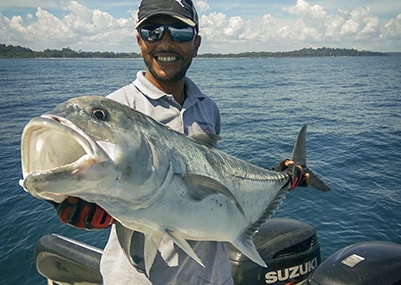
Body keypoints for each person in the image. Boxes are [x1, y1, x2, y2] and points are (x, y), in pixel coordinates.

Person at [54, 0, 308, 284]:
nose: (165, 42)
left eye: (180, 32)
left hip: (213, 275)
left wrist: (280, 176)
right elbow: (91, 178)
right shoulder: (115, 110)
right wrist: (81, 200)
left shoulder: (207, 107)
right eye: (152, 31)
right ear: (139, 41)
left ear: (196, 43)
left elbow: (215, 175)